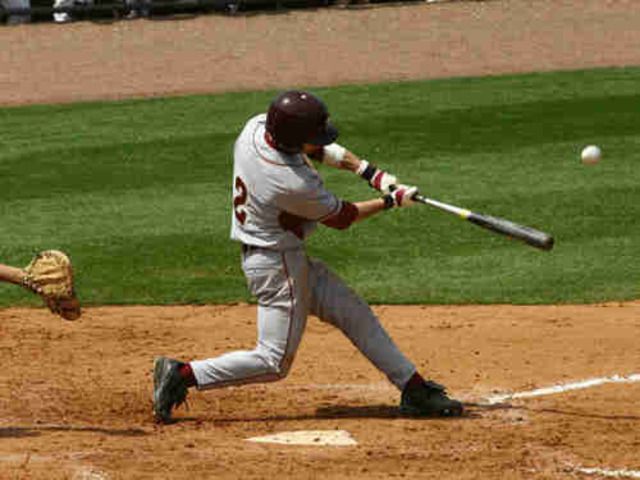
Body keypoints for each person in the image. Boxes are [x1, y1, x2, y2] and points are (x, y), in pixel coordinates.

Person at [153, 90, 463, 424]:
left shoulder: (256, 129)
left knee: (353, 313)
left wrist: (372, 174)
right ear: (291, 140)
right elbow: (342, 217)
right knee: (273, 361)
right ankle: (183, 374)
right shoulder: (287, 181)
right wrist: (392, 201)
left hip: (283, 258)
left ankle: (414, 389)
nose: (316, 142)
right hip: (277, 266)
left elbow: (316, 149)